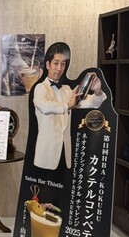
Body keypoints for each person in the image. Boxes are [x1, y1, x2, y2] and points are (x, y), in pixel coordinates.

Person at [33, 42, 106, 170]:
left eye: (63, 64)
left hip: (65, 152)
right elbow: (44, 106)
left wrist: (97, 91)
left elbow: (89, 103)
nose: (59, 68)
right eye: (56, 63)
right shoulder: (40, 88)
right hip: (46, 153)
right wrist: (68, 105)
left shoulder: (66, 90)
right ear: (48, 65)